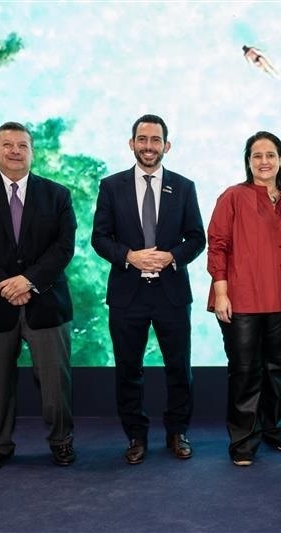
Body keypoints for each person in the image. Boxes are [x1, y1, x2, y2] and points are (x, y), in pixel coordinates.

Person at [0, 121, 77, 473]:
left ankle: (61, 441)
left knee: (55, 383)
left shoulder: (57, 194)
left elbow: (64, 247)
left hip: (46, 303)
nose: (15, 151)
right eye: (7, 144)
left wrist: (28, 281)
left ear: (32, 152)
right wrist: (5, 285)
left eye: (22, 145)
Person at [91, 114, 205, 465]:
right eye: (142, 139)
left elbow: (197, 238)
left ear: (166, 146)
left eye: (155, 140)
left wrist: (172, 257)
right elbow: (99, 238)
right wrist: (129, 256)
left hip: (171, 293)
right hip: (128, 294)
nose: (149, 146)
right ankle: (136, 437)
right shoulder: (111, 186)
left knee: (179, 368)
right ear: (132, 144)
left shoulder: (184, 187)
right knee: (129, 370)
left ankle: (177, 432)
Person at [207, 131, 281, 467]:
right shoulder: (233, 196)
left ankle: (275, 428)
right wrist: (221, 293)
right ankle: (243, 440)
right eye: (257, 155)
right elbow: (217, 244)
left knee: (277, 370)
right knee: (245, 371)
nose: (264, 161)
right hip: (241, 297)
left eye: (270, 155)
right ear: (248, 161)